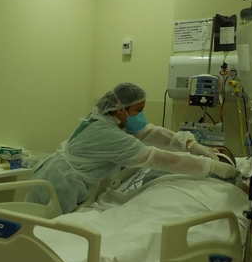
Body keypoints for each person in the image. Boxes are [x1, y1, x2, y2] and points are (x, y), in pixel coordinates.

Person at [26, 83, 239, 213]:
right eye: (138, 110)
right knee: (42, 232)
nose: (141, 116)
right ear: (119, 109)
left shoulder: (109, 119)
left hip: (64, 178)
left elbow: (150, 132)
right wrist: (210, 165)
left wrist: (190, 144)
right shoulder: (106, 133)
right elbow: (155, 158)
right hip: (60, 183)